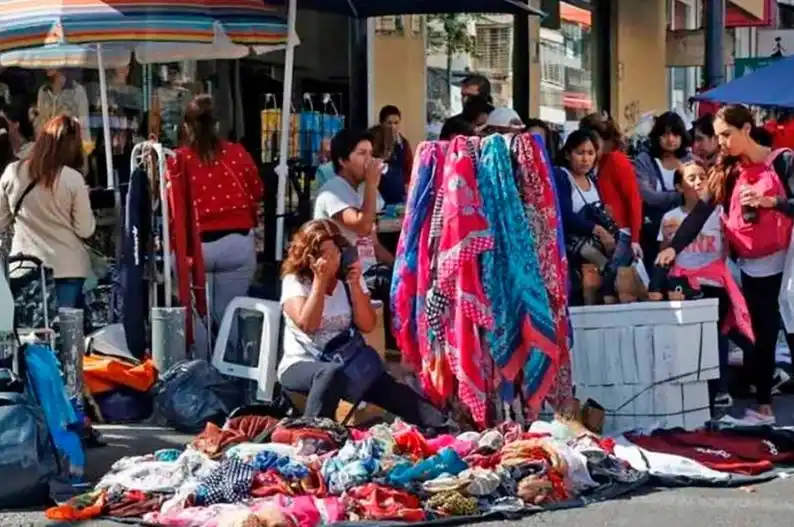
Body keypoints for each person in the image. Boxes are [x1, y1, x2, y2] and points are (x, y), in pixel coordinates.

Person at [657, 104, 794, 424]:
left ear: (747, 129)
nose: (721, 143)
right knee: (761, 333)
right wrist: (673, 249)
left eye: (726, 135)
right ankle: (764, 406)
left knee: (791, 327)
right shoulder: (726, 170)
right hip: (751, 264)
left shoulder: (784, 161)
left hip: (787, 259)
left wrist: (771, 202)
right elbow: (699, 215)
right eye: (718, 137)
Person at [278, 219, 449, 430]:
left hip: (348, 362)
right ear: (309, 258)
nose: (331, 259)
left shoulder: (348, 279)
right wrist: (320, 282)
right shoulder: (295, 282)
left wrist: (355, 286)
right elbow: (308, 324)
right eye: (323, 254)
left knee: (388, 388)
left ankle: (444, 425)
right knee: (330, 374)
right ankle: (314, 436)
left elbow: (367, 324)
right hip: (302, 364)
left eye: (334, 253)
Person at [650, 161, 753, 409]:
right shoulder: (670, 218)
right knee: (688, 334)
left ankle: (721, 388)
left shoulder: (717, 213)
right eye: (691, 178)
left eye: (702, 177)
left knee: (719, 332)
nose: (698, 182)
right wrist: (658, 285)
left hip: (714, 280)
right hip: (682, 282)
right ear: (678, 186)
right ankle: (692, 389)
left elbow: (727, 247)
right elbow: (664, 253)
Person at [170, 94, 264, 345]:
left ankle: (203, 372)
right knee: (230, 314)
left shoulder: (177, 160)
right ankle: (234, 371)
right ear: (218, 125)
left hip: (194, 247)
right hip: (236, 242)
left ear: (186, 125)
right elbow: (257, 191)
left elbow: (170, 204)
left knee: (198, 317)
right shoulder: (237, 154)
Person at [0, 115, 95, 308]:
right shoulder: (72, 179)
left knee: (30, 333)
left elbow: (1, 222)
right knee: (68, 333)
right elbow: (85, 229)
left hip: (24, 268)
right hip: (67, 269)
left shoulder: (12, 172)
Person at [313, 129, 397, 349]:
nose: (369, 160)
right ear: (343, 160)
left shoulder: (359, 191)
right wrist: (371, 185)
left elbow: (373, 243)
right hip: (343, 275)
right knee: (388, 286)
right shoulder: (332, 191)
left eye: (371, 153)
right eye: (362, 154)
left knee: (402, 282)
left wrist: (400, 267)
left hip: (364, 271)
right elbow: (362, 225)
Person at [579, 113, 644, 303]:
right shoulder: (594, 163)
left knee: (613, 287)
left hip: (622, 232)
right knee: (601, 285)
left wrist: (635, 238)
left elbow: (633, 200)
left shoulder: (616, 160)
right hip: (602, 232)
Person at [554, 129, 620, 304]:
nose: (586, 159)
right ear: (568, 154)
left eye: (590, 153)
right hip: (574, 251)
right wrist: (597, 230)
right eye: (580, 153)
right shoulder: (562, 176)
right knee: (607, 272)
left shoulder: (592, 180)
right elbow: (565, 214)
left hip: (596, 248)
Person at [634, 111, 693, 270]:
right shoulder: (644, 160)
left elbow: (695, 193)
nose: (671, 139)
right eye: (665, 134)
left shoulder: (689, 160)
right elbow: (648, 196)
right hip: (653, 232)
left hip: (684, 232)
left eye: (675, 134)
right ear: (657, 136)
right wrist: (679, 194)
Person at [378, 105, 413, 203]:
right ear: (382, 123)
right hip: (379, 195)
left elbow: (409, 168)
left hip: (398, 195)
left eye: (396, 123)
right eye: (389, 123)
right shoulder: (375, 143)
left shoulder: (403, 144)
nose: (393, 126)